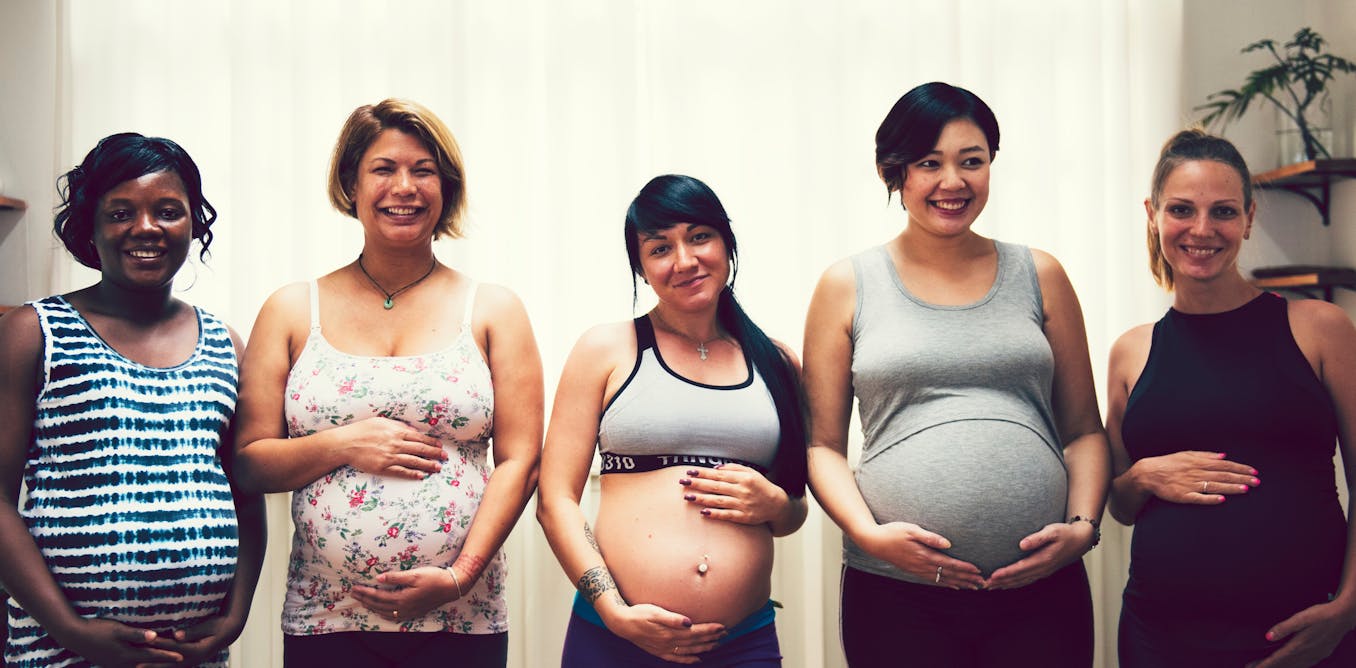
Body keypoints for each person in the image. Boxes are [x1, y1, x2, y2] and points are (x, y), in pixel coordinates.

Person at [801, 81, 1109, 667]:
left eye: (972, 161)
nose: (953, 182)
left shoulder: (1041, 274)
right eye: (929, 163)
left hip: (1041, 589)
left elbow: (1085, 431)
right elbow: (821, 447)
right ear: (893, 172)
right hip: (897, 592)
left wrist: (1082, 528)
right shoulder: (847, 285)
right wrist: (869, 535)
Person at [232, 99, 543, 667]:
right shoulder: (291, 309)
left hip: (462, 614)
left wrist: (460, 574)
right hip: (326, 613)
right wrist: (344, 443)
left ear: (446, 188)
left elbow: (521, 461)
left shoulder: (494, 309)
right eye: (383, 169)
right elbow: (249, 462)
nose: (404, 187)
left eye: (423, 171)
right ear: (351, 183)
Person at [0, 132, 265, 667]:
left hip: (191, 653)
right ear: (90, 226)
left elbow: (245, 494)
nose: (146, 227)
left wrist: (235, 617)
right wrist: (71, 629)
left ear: (194, 223)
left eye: (168, 211)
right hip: (61, 651)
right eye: (120, 213)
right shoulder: (34, 333)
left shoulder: (225, 344)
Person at [1106, 129, 1356, 667]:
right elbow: (1120, 503)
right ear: (1152, 215)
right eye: (1181, 210)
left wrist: (1349, 608)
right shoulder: (1130, 351)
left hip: (1304, 633)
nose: (1202, 230)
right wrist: (1144, 476)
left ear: (1248, 217)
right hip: (1161, 638)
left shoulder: (1321, 328)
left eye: (1222, 211)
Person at [536, 174, 808, 667]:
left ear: (727, 243)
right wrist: (613, 610)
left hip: (741, 644)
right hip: (614, 638)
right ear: (640, 268)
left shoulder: (778, 363)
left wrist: (774, 504)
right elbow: (555, 501)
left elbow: (794, 511)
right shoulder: (605, 349)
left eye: (699, 237)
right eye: (660, 248)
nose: (684, 261)